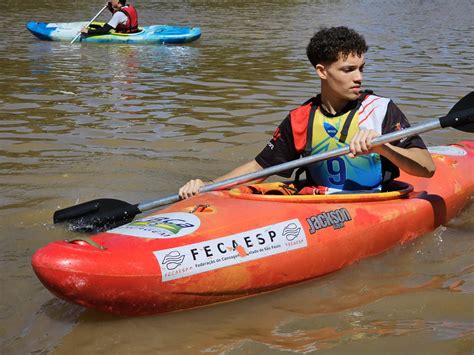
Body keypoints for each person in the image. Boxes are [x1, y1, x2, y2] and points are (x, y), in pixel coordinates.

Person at [179, 26, 436, 199]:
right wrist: (207, 187)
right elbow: (259, 168)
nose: (359, 77)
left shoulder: (381, 109)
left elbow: (427, 168)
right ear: (322, 71)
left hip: (372, 202)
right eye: (348, 70)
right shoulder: (300, 118)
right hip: (317, 207)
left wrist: (383, 148)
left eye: (361, 68)